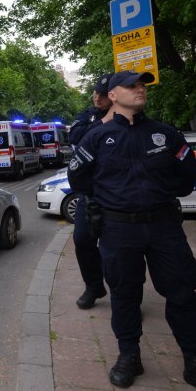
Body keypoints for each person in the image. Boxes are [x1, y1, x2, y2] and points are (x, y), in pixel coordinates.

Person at [68, 70, 196, 390]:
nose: (140, 89)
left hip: (164, 226)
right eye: (132, 85)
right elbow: (79, 179)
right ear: (113, 95)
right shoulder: (97, 137)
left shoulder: (165, 134)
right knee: (124, 295)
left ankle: (195, 360)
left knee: (182, 292)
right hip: (119, 229)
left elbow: (186, 176)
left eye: (142, 85)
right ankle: (129, 355)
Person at [68, 72, 114, 310]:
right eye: (95, 92)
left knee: (118, 247)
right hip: (91, 193)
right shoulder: (89, 115)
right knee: (82, 240)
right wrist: (105, 121)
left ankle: (123, 294)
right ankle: (94, 285)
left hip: (117, 193)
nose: (97, 97)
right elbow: (75, 136)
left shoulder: (128, 116)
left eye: (103, 94)